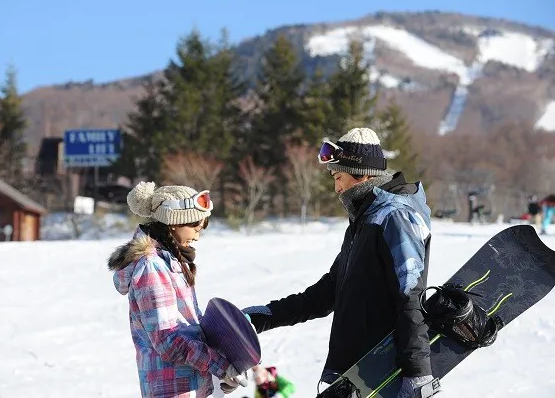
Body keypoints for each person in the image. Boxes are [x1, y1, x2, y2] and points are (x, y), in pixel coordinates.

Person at [243, 128, 439, 398]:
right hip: (358, 372)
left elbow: (410, 295)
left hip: (384, 371)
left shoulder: (395, 217)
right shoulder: (365, 220)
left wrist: (417, 372)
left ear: (362, 173)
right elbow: (327, 292)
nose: (337, 188)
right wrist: (264, 316)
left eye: (339, 177)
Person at [107, 181, 247, 398]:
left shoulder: (171, 262)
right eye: (194, 228)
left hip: (189, 385)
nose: (197, 237)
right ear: (174, 222)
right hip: (171, 388)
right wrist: (220, 367)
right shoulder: (151, 267)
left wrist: (225, 362)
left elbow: (187, 328)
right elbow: (168, 341)